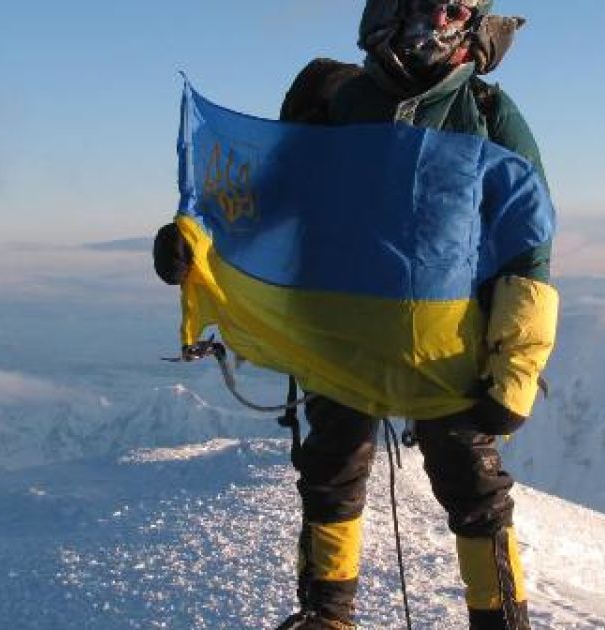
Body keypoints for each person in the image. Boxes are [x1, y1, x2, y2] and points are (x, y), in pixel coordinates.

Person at [156, 1, 556, 628]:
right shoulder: (336, 105)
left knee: (474, 495)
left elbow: (526, 250)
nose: (434, 21)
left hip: (444, 355)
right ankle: (327, 616)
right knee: (332, 475)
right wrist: (193, 243)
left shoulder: (487, 113)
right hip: (343, 341)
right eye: (425, 3)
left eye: (453, 8)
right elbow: (262, 204)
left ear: (474, 21)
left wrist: (516, 374)